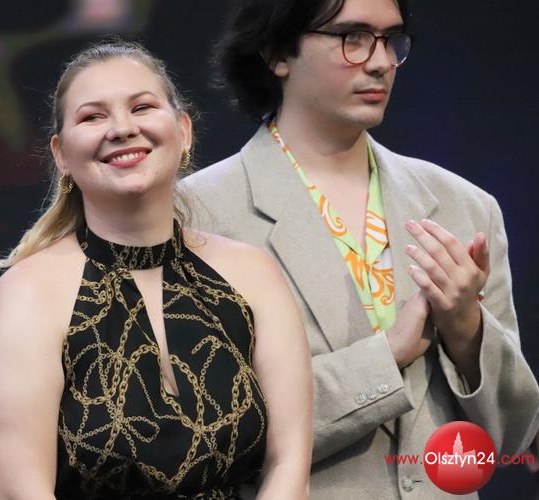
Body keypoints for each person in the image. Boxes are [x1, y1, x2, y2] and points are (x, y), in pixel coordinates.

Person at [181, 0, 539, 498]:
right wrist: (385, 358)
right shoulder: (197, 217)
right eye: (353, 38)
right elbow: (203, 436)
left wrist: (467, 330)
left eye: (391, 40)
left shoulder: (465, 206)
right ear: (277, 53)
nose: (380, 62)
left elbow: (516, 433)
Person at [0, 41, 312, 499]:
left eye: (142, 107)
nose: (122, 128)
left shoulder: (252, 274)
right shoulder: (27, 296)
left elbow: (290, 463)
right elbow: (21, 492)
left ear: (184, 131)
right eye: (93, 117)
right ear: (61, 154)